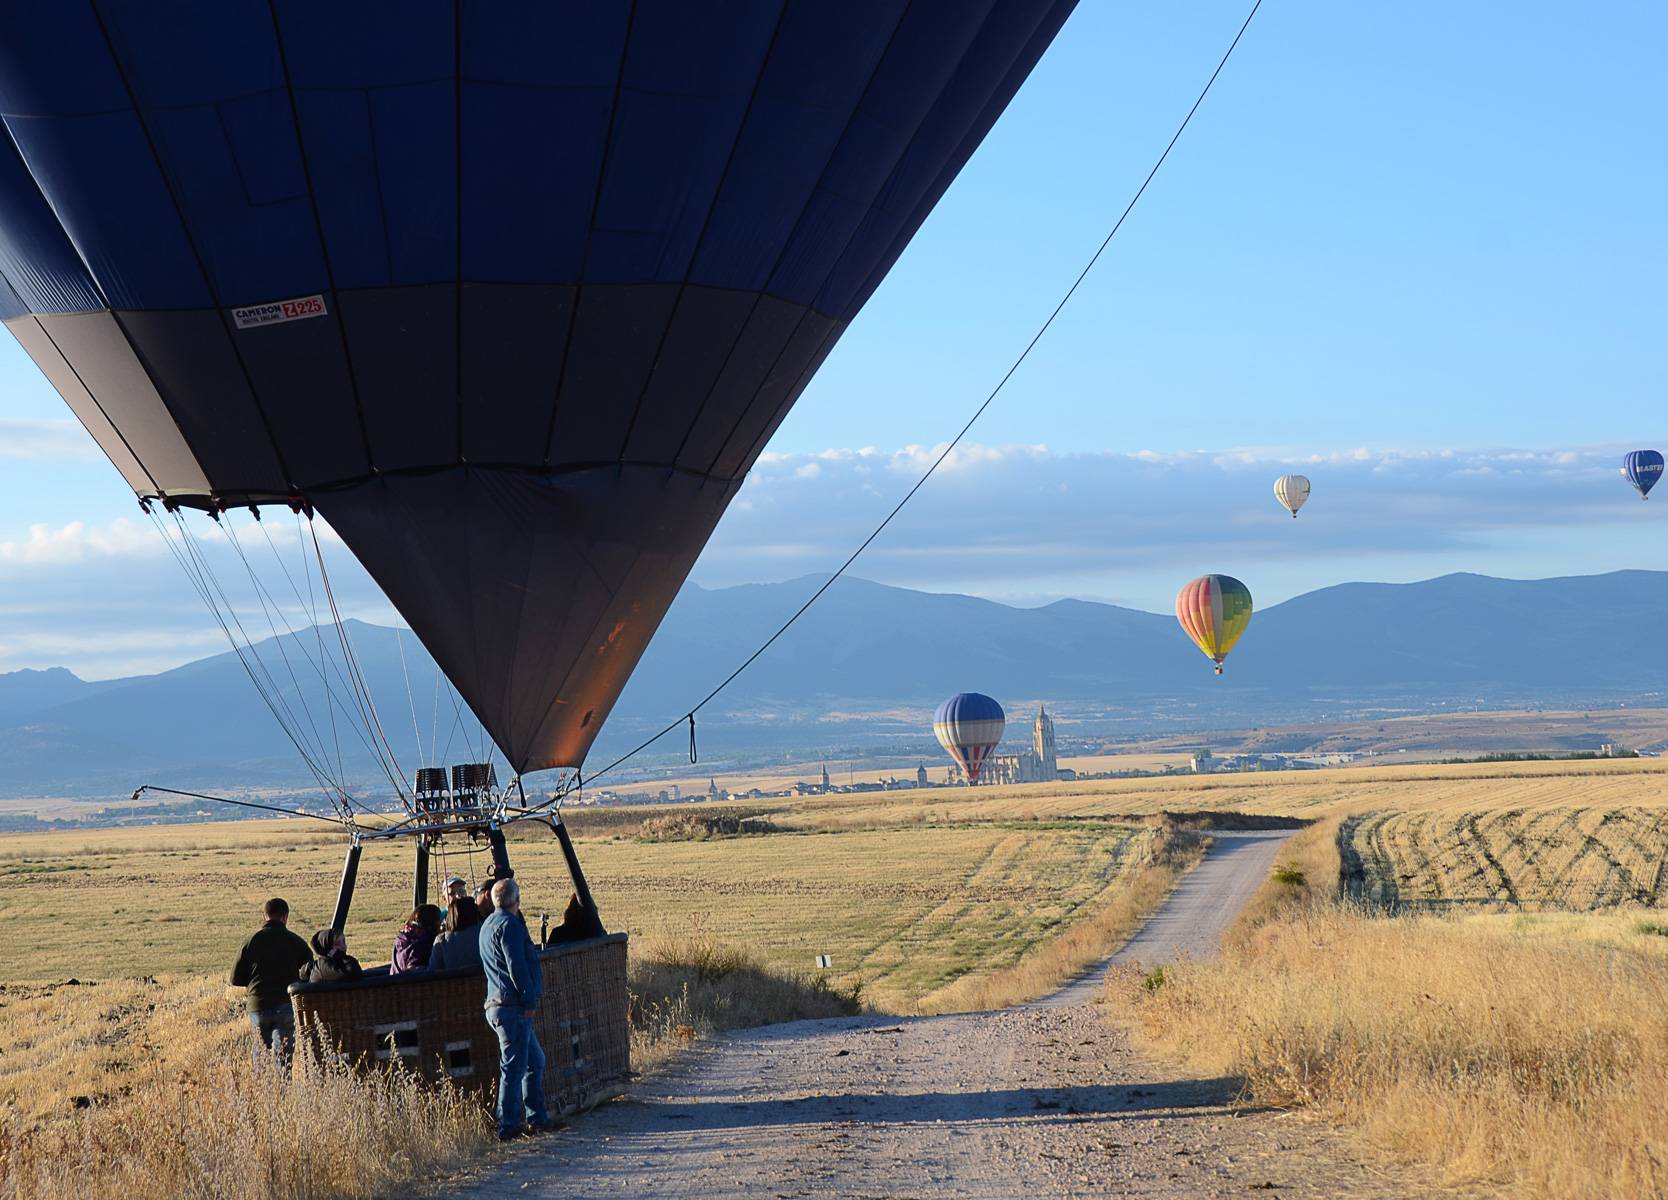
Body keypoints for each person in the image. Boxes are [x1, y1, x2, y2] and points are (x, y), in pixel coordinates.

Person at [480, 878, 553, 1140]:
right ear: (517, 900)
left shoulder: (487, 925)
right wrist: (529, 999)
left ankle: (537, 1118)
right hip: (512, 1005)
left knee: (535, 1061)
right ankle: (508, 1125)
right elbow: (516, 966)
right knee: (513, 1068)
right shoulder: (510, 926)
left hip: (496, 1003)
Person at [229, 897, 312, 1063]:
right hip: (285, 1004)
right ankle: (282, 1088)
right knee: (283, 1056)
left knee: (259, 1053)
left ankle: (262, 1087)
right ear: (285, 917)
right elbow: (309, 973)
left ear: (264, 916)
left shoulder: (250, 941)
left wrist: (255, 984)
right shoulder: (296, 941)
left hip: (257, 1006)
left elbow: (235, 978)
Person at [428, 897, 485, 971]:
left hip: (450, 981)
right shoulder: (485, 934)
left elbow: (433, 971)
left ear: (450, 916)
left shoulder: (442, 941)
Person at [391, 903, 443, 974]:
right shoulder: (424, 945)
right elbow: (414, 971)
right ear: (433, 925)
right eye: (440, 922)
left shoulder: (401, 939)